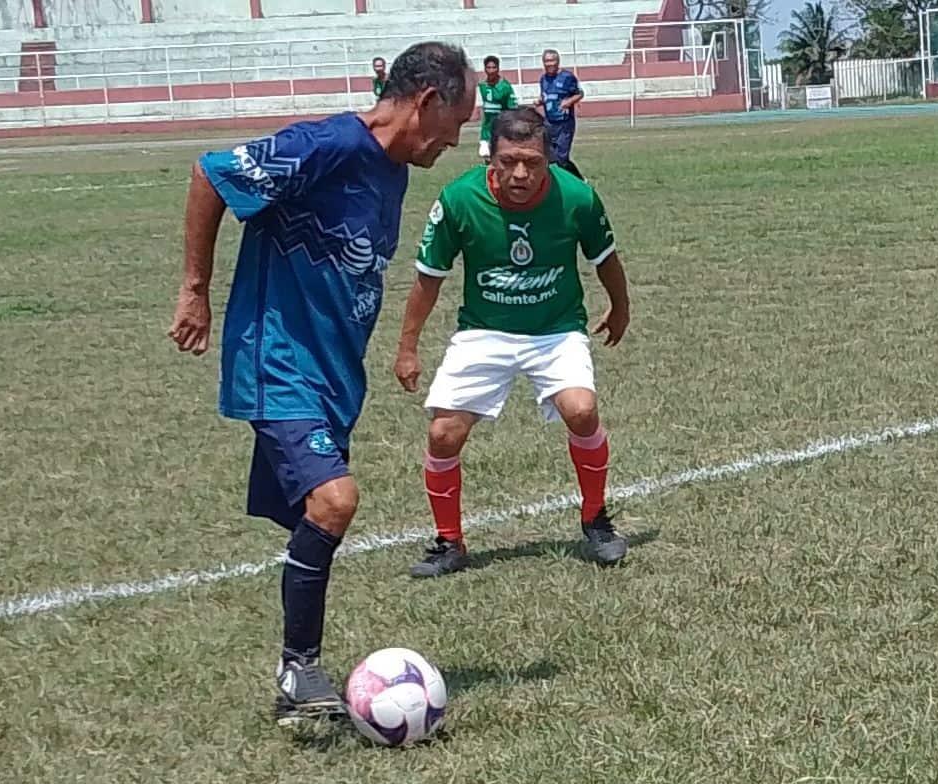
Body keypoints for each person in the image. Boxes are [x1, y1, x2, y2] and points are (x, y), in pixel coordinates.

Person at [168, 42, 475, 722]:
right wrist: (195, 290)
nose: (453, 142)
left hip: (334, 378)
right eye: (455, 125)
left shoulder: (391, 171)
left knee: (316, 514)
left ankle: (297, 672)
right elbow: (212, 174)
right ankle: (297, 670)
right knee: (335, 501)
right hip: (279, 363)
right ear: (427, 102)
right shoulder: (326, 146)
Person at [393, 107, 630, 578]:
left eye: (533, 162)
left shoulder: (576, 197)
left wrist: (620, 306)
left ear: (548, 159)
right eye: (509, 161)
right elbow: (428, 278)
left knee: (582, 410)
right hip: (484, 331)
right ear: (491, 159)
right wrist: (407, 346)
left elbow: (605, 258)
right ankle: (449, 542)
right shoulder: (459, 199)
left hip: (556, 329)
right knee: (443, 435)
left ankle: (596, 519)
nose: (520, 173)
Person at [536, 49, 584, 179]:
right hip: (549, 123)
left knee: (561, 158)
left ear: (558, 61)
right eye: (546, 61)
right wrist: (540, 101)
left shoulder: (567, 77)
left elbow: (580, 93)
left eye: (552, 60)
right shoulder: (543, 79)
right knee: (550, 157)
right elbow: (546, 95)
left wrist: (569, 101)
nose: (549, 63)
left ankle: (578, 180)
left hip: (564, 123)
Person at [478, 55, 517, 164]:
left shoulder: (505, 87)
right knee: (486, 156)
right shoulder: (482, 86)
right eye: (488, 67)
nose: (491, 70)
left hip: (500, 128)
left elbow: (512, 108)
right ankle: (489, 179)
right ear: (485, 69)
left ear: (498, 69)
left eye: (494, 67)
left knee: (499, 157)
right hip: (486, 129)